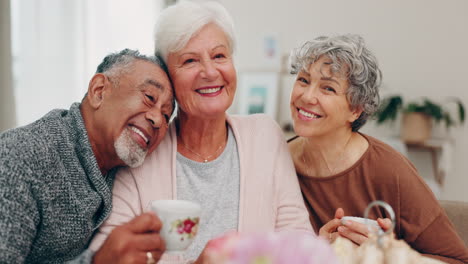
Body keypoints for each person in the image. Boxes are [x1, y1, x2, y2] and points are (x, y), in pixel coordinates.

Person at [90, 1, 312, 263]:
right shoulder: (142, 151)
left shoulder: (265, 136)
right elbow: (108, 255)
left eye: (219, 56)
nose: (209, 72)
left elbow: (299, 242)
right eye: (190, 60)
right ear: (167, 77)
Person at [287, 34, 468, 264]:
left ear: (356, 109)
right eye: (303, 80)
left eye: (328, 89)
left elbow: (456, 260)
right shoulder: (275, 159)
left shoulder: (390, 171)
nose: (307, 96)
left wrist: (388, 258)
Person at [0, 49, 174, 263]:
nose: (157, 119)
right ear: (99, 91)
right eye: (149, 97)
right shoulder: (21, 156)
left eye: (167, 115)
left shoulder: (122, 171)